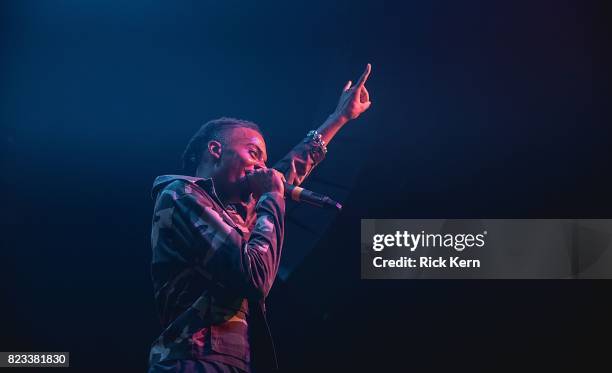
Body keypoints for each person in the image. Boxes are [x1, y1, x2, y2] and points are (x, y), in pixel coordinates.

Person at [148, 64, 372, 373]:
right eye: (254, 154)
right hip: (194, 361)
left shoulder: (235, 211)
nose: (262, 167)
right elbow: (254, 277)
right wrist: (272, 197)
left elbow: (284, 172)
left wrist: (339, 118)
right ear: (215, 150)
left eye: (264, 161)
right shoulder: (181, 195)